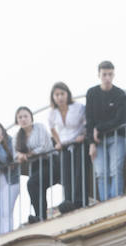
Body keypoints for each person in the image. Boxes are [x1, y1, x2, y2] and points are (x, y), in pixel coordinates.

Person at [86, 61, 126, 202]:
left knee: (116, 170)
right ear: (99, 75)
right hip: (98, 141)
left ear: (113, 74)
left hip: (116, 137)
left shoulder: (120, 94)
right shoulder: (92, 93)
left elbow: (120, 119)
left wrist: (99, 128)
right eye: (104, 74)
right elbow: (89, 119)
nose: (107, 77)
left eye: (110, 74)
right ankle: (105, 202)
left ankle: (115, 200)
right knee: (101, 173)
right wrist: (91, 142)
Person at [48, 82, 86, 213]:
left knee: (78, 172)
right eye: (57, 95)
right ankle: (69, 201)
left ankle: (79, 200)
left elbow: (86, 121)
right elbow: (52, 128)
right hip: (64, 146)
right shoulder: (53, 113)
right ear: (53, 97)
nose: (60, 97)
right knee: (66, 174)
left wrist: (83, 134)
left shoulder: (78, 107)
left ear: (67, 94)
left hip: (78, 143)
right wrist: (57, 142)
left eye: (62, 94)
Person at [13, 106, 56, 224]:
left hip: (49, 161)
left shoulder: (39, 127)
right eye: (20, 117)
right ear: (17, 121)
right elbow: (14, 154)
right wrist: (19, 156)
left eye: (25, 116)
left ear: (31, 117)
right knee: (35, 186)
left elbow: (45, 146)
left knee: (32, 183)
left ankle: (41, 216)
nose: (23, 119)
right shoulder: (17, 137)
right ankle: (40, 216)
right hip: (35, 166)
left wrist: (28, 155)